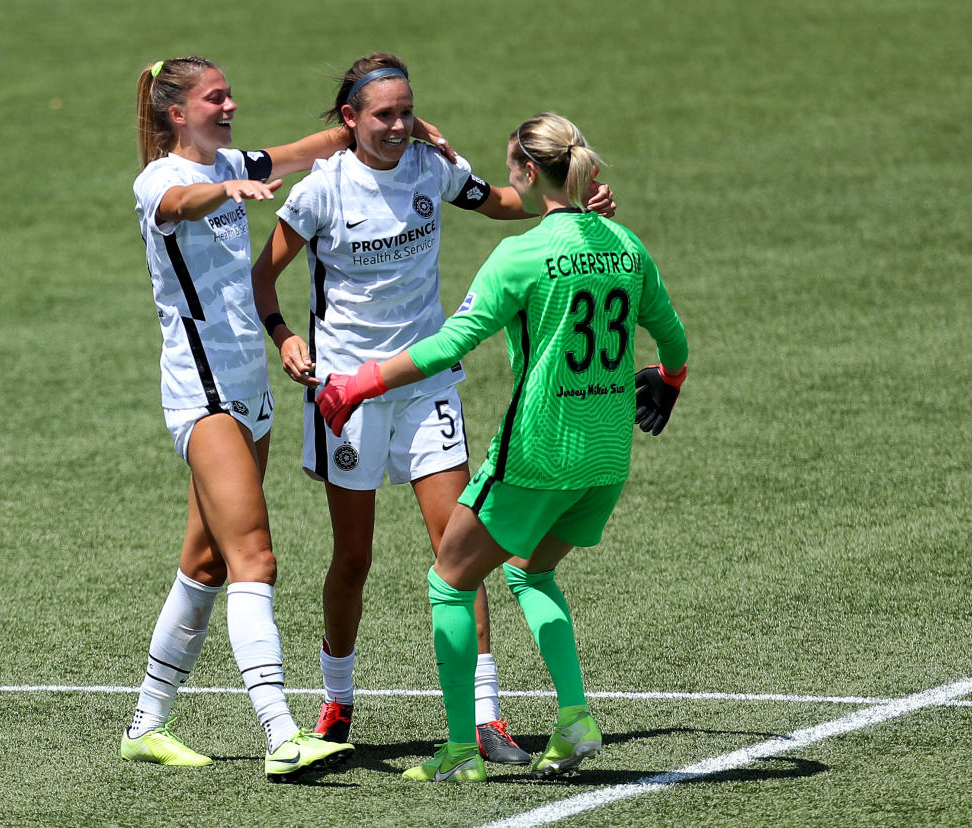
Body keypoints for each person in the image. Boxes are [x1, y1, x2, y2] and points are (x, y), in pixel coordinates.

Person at [250, 54, 617, 764]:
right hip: (347, 395)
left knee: (459, 551)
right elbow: (263, 275)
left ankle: (484, 718)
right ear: (350, 119)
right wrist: (285, 337)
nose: (397, 125)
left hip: (426, 387)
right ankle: (337, 697)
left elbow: (509, 206)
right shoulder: (322, 190)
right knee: (352, 558)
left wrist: (579, 210)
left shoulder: (431, 169)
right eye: (383, 114)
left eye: (406, 111)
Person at [314, 112, 689, 782]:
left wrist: (361, 383)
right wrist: (669, 381)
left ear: (522, 169)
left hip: (537, 454)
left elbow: (448, 345)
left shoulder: (520, 255)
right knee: (528, 571)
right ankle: (573, 717)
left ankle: (461, 751)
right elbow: (675, 340)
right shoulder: (627, 246)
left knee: (448, 582)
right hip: (605, 460)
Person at [121, 56, 443, 783]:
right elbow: (179, 209)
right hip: (202, 397)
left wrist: (411, 128)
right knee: (255, 559)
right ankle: (280, 732)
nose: (231, 103)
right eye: (216, 96)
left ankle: (146, 723)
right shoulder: (163, 182)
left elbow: (313, 148)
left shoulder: (232, 160)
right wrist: (222, 189)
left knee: (204, 563)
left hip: (251, 392)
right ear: (178, 112)